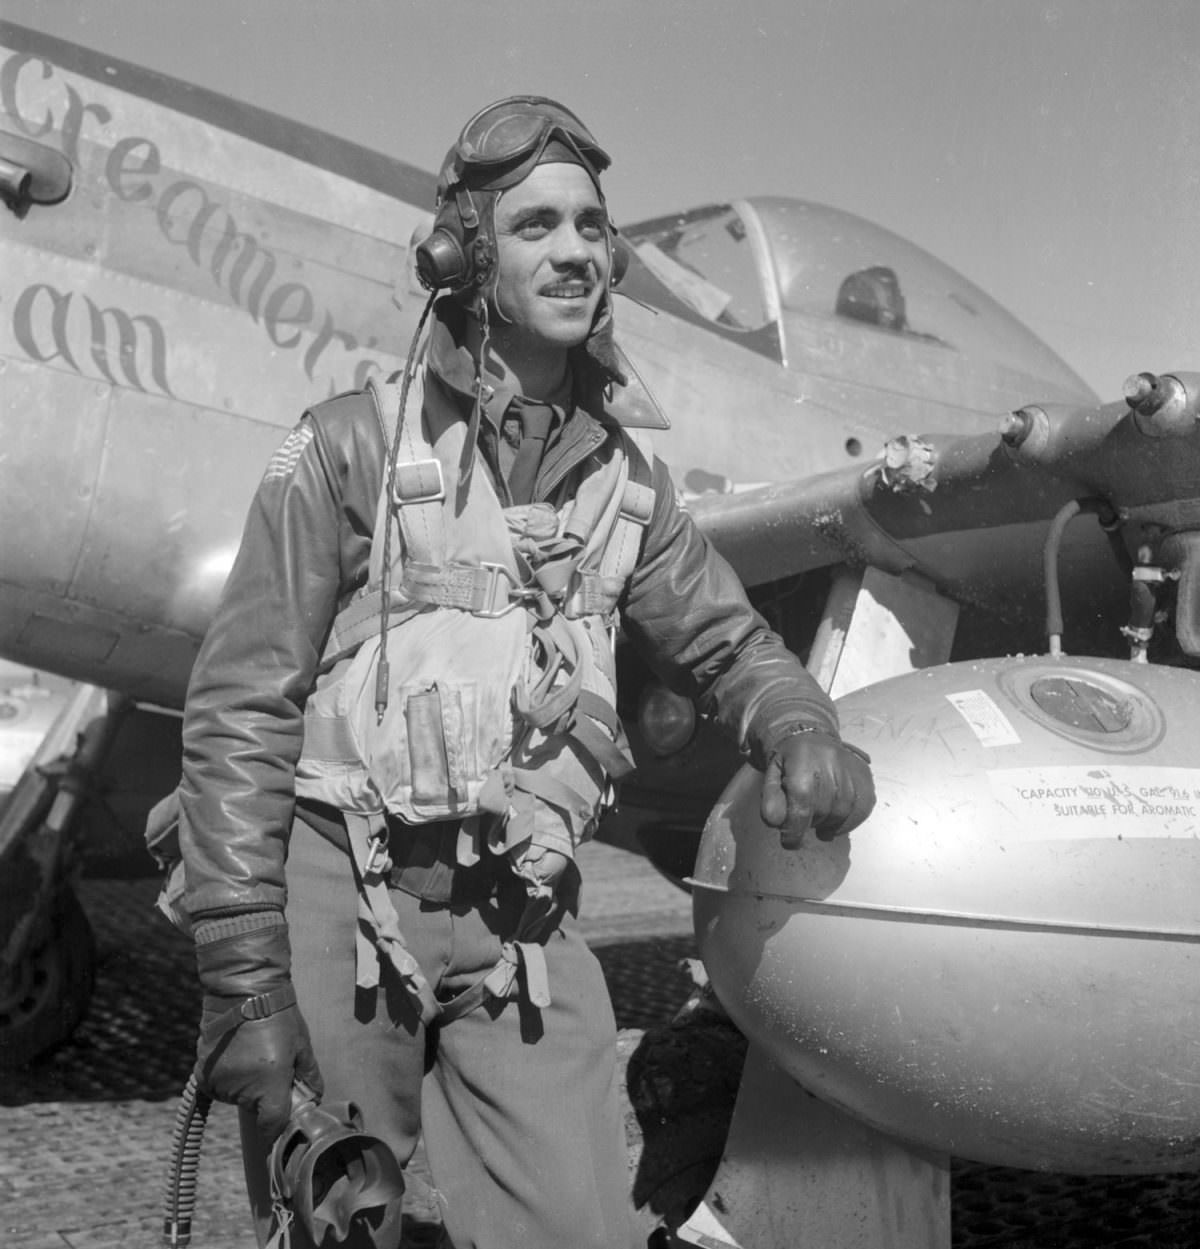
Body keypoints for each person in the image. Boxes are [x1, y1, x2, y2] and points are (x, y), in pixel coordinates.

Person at [175, 95, 875, 1249]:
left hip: (519, 917)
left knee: (577, 1224)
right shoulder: (347, 446)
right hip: (344, 895)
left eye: (593, 228)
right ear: (464, 254)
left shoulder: (626, 486)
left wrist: (797, 720)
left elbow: (727, 642)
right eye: (537, 224)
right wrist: (242, 980)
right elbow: (239, 707)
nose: (575, 252)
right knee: (346, 1229)